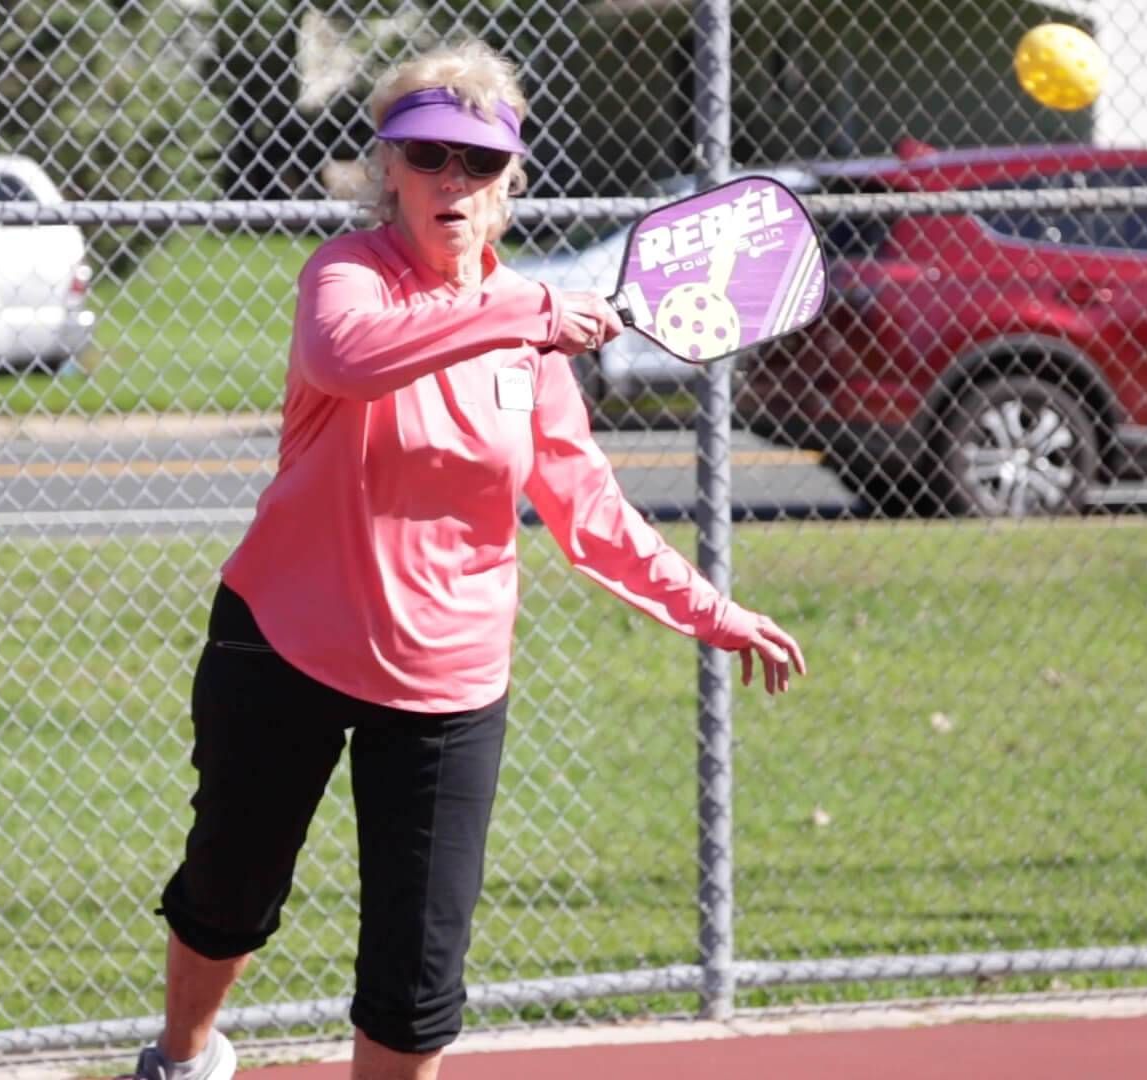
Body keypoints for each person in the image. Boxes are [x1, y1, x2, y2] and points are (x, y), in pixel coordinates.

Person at [125, 38, 808, 1080]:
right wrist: (525, 311)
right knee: (228, 894)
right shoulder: (348, 276)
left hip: (448, 683)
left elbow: (588, 511)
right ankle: (183, 1057)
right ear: (389, 169)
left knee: (416, 978)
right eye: (428, 155)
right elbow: (347, 361)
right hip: (285, 639)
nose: (452, 181)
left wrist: (710, 609)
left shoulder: (532, 339)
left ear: (510, 183)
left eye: (478, 164)